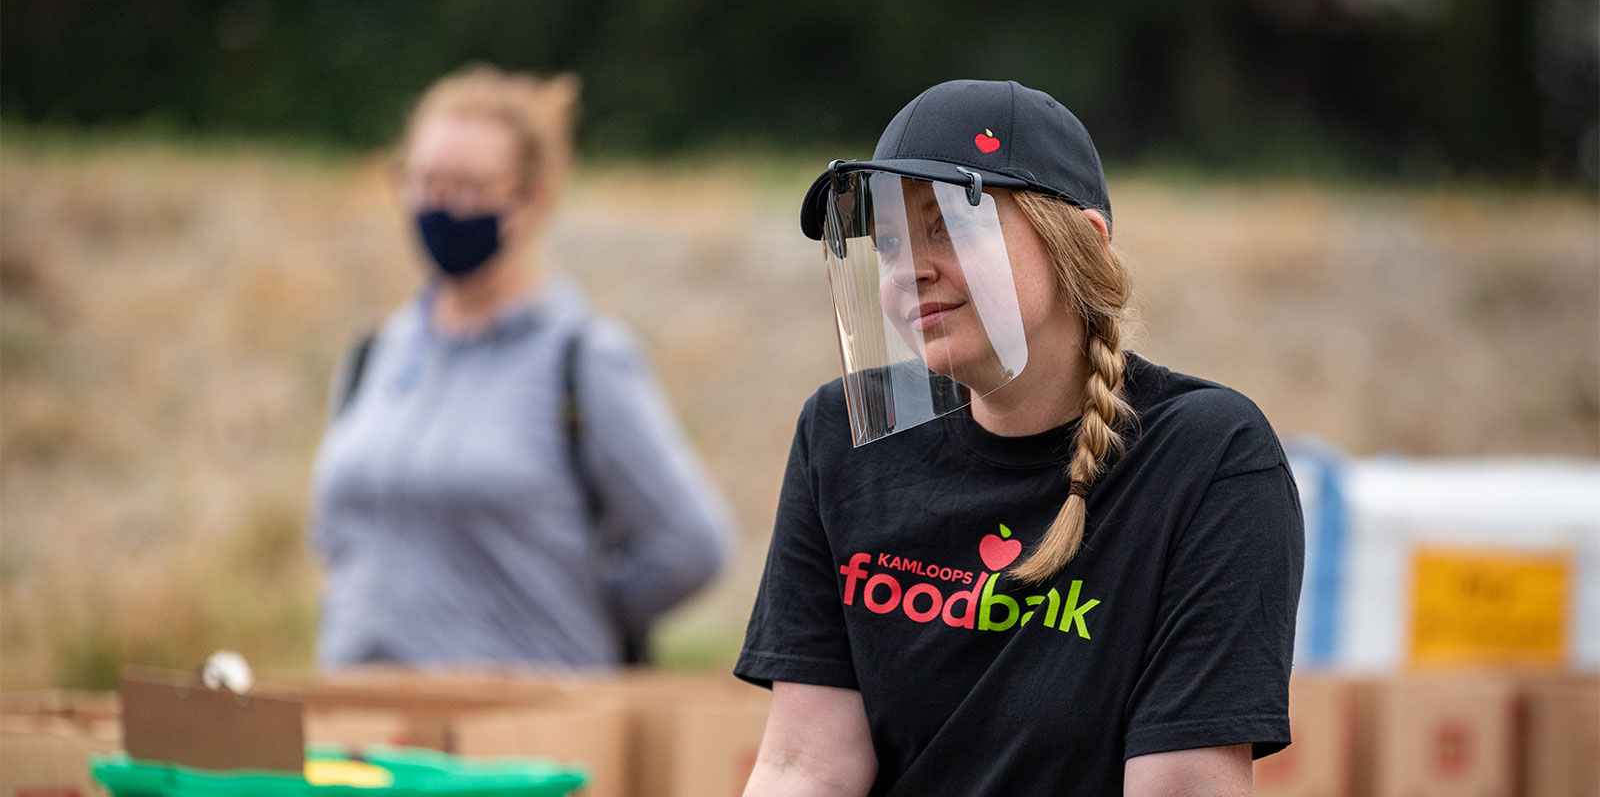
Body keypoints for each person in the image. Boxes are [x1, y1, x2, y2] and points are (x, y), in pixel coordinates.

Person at [735, 80, 1304, 796]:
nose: (909, 270)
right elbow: (804, 767)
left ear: (1080, 244)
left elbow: (1184, 787)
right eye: (889, 242)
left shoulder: (1209, 457)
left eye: (949, 225)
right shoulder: (844, 431)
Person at [309, 64, 733, 669]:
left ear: (532, 199)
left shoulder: (582, 359)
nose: (440, 205)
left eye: (468, 187)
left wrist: (572, 619)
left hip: (516, 714)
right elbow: (335, 539)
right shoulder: (376, 354)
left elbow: (689, 547)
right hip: (358, 709)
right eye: (424, 182)